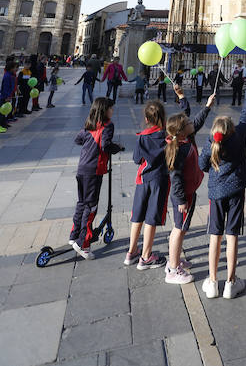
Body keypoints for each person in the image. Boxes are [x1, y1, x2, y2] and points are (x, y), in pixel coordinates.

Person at [198, 76, 246, 299]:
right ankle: (231, 283)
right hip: (236, 192)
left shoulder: (210, 143)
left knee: (215, 236)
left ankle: (212, 282)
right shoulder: (239, 137)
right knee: (232, 236)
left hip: (216, 194)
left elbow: (203, 165)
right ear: (231, 130)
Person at [164, 91, 217, 284]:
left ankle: (174, 260)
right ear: (181, 130)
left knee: (182, 228)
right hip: (183, 196)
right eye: (187, 123)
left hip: (188, 193)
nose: (191, 124)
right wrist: (180, 200)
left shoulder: (186, 139)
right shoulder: (179, 148)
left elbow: (198, 121)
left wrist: (208, 105)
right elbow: (175, 177)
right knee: (179, 229)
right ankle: (172, 269)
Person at [71, 97, 124, 258]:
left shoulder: (90, 124)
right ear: (104, 110)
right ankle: (83, 243)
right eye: (111, 108)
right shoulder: (108, 125)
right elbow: (105, 145)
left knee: (82, 203)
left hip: (82, 169)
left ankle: (74, 235)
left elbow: (78, 139)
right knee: (91, 206)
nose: (112, 111)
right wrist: (118, 147)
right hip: (94, 171)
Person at [125, 100, 169, 269]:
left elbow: (137, 159)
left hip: (142, 180)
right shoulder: (167, 137)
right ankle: (146, 256)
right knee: (151, 218)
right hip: (159, 180)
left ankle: (131, 251)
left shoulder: (142, 137)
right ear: (163, 117)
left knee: (137, 215)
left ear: (146, 119)